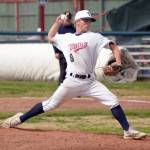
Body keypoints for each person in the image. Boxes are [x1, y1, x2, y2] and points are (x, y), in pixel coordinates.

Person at [2, 10, 146, 140]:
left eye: (89, 20)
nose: (88, 23)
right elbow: (51, 37)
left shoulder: (95, 37)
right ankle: (19, 119)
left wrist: (118, 61)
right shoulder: (66, 38)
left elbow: (114, 46)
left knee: (113, 100)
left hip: (90, 82)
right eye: (85, 20)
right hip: (71, 81)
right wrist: (57, 23)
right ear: (77, 21)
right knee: (50, 105)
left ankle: (128, 130)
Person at [53, 11, 75, 85]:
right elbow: (54, 40)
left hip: (72, 54)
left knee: (73, 72)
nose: (67, 20)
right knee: (63, 72)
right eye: (66, 19)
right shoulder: (59, 29)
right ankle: (61, 87)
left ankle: (74, 90)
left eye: (69, 19)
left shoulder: (73, 28)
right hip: (62, 54)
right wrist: (56, 52)